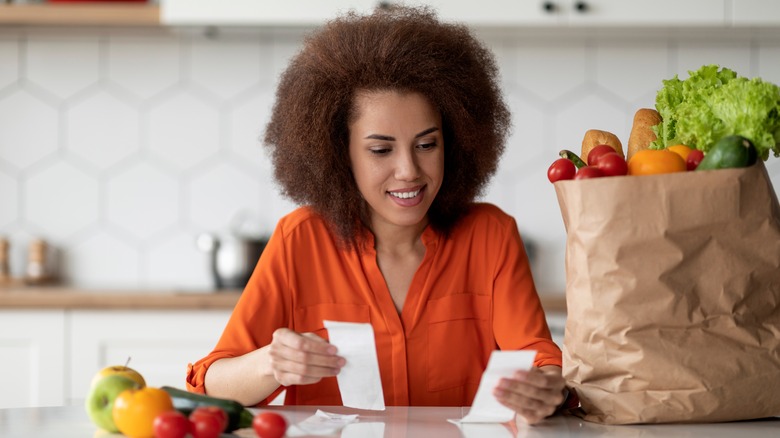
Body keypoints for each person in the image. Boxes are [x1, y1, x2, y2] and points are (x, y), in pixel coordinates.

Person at [186, 5, 569, 424]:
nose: (409, 170)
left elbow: (540, 361)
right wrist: (270, 364)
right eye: (381, 150)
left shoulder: (491, 235)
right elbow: (210, 387)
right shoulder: (301, 240)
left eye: (427, 145)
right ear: (338, 154)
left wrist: (546, 389)